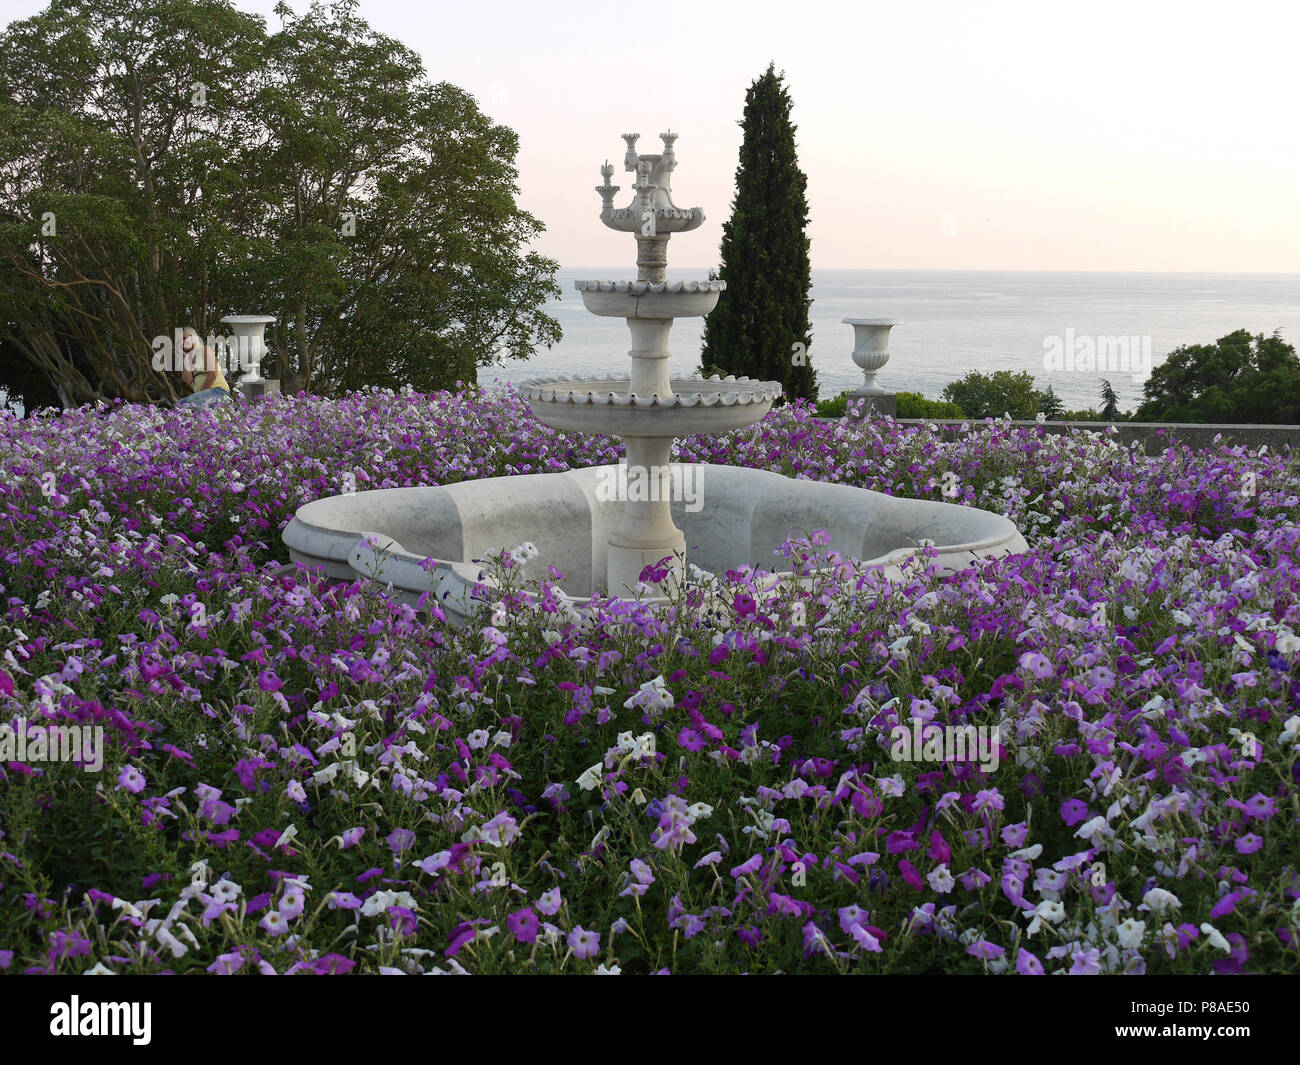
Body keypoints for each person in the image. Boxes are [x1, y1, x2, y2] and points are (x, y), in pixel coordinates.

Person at [176, 326, 232, 408]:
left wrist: (199, 394)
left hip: (219, 392)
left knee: (193, 401)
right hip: (202, 395)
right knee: (179, 405)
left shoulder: (205, 350)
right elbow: (187, 381)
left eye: (184, 338)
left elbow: (213, 374)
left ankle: (206, 421)